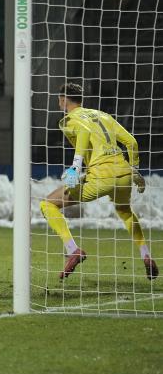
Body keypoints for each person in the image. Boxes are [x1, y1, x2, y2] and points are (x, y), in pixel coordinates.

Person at [39, 82, 156, 280]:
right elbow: (131, 142)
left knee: (47, 204)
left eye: (59, 100)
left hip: (100, 177)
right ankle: (146, 254)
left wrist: (75, 167)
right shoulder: (102, 115)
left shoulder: (68, 120)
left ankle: (73, 250)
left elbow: (84, 132)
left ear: (63, 100)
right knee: (125, 212)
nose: (59, 103)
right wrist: (134, 170)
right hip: (123, 173)